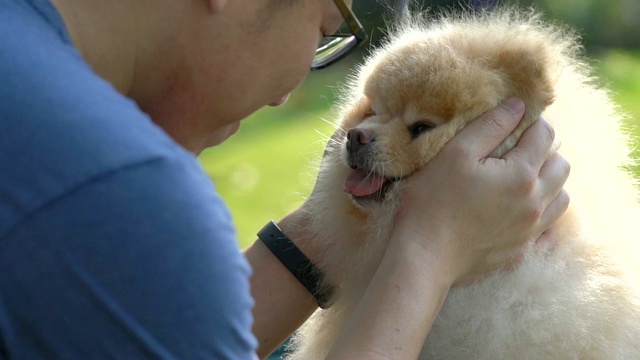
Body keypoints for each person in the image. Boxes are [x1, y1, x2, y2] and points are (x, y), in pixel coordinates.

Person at [0, 0, 569, 359]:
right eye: (324, 27)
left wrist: (338, 227)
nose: (294, 84)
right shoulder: (120, 190)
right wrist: (428, 251)